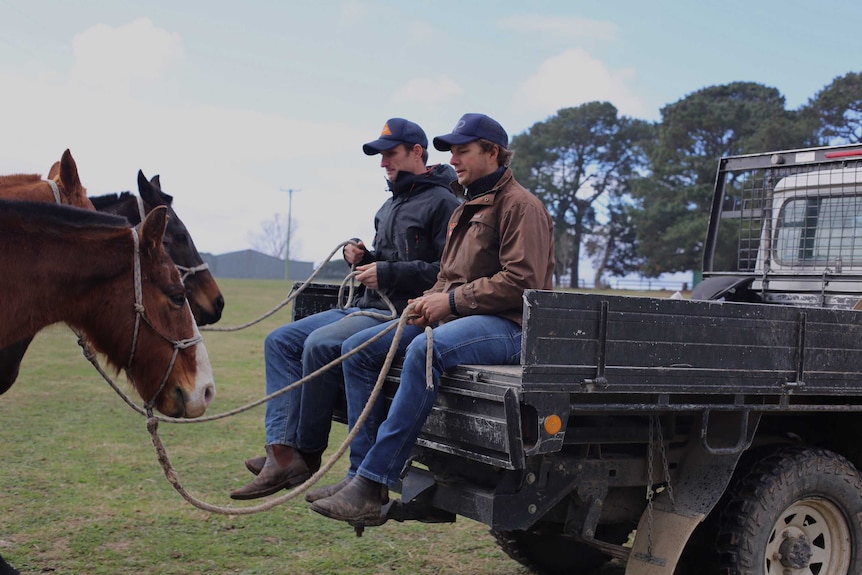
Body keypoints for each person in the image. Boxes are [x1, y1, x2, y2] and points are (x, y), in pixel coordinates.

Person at [309, 113, 555, 524]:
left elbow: (522, 282)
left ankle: (373, 481)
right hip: (468, 317)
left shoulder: (521, 206)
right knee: (361, 348)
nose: (454, 158)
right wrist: (425, 302)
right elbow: (446, 277)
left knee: (426, 349)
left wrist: (452, 302)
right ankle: (358, 477)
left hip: (511, 326)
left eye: (463, 150)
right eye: (452, 151)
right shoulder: (466, 205)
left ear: (492, 152)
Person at [230, 118, 460, 500]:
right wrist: (363, 258)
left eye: (390, 154)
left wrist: (385, 271)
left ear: (417, 153)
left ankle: (307, 454)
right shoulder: (389, 205)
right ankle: (283, 451)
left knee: (320, 344)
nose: (383, 163)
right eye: (381, 156)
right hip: (363, 305)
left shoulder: (445, 203)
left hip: (398, 313)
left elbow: (446, 272)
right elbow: (388, 260)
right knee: (280, 340)